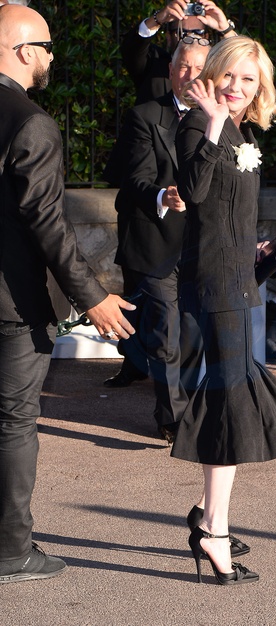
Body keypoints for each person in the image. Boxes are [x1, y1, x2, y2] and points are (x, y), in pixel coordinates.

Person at [0, 4, 136, 584]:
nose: (52, 57)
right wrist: (93, 296)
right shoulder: (31, 123)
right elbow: (47, 222)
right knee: (13, 422)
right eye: (48, 47)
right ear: (24, 51)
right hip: (12, 305)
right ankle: (11, 551)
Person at [170, 36, 276, 585]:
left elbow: (228, 215)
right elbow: (195, 192)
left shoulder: (245, 134)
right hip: (214, 286)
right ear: (213, 74)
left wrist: (253, 249)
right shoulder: (196, 126)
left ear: (259, 87)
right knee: (231, 404)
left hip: (238, 278)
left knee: (234, 399)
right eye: (229, 75)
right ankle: (213, 529)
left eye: (248, 80)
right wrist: (209, 124)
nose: (236, 87)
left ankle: (209, 516)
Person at [103, 41, 207, 445]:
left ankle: (190, 407)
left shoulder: (222, 119)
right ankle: (173, 419)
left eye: (198, 68)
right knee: (166, 331)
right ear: (171, 70)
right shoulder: (144, 115)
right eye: (183, 66)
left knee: (193, 333)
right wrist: (164, 195)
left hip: (200, 245)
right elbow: (136, 179)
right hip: (155, 239)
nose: (190, 75)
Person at [121, 0, 237, 104]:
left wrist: (226, 30)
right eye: (182, 32)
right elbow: (131, 49)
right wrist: (157, 19)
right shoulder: (152, 63)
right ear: (169, 37)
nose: (190, 37)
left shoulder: (216, 67)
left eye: (197, 32)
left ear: (206, 37)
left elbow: (241, 63)